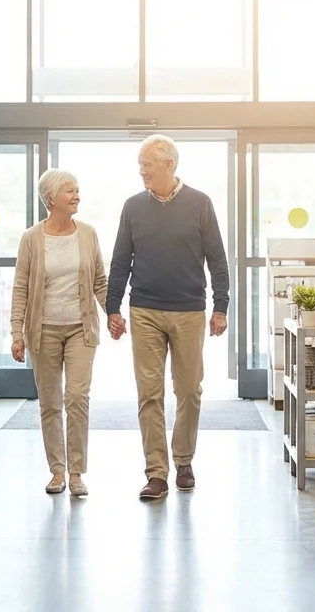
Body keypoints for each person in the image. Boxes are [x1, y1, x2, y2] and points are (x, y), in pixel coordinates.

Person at [106, 134, 229, 500]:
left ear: (168, 165)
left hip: (190, 310)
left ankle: (185, 460)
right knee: (149, 393)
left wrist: (220, 306)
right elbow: (119, 261)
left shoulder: (200, 204)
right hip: (143, 309)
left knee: (189, 390)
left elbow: (217, 259)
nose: (141, 171)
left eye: (147, 165)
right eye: (140, 165)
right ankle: (156, 472)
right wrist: (113, 307)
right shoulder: (133, 207)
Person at [9, 169, 108, 497]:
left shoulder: (88, 234)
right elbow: (21, 287)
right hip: (43, 331)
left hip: (81, 328)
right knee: (50, 403)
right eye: (70, 191)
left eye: (78, 190)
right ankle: (57, 471)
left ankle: (77, 472)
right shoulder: (31, 239)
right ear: (51, 198)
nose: (77, 195)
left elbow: (100, 282)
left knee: (77, 398)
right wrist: (16, 333)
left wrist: (115, 314)